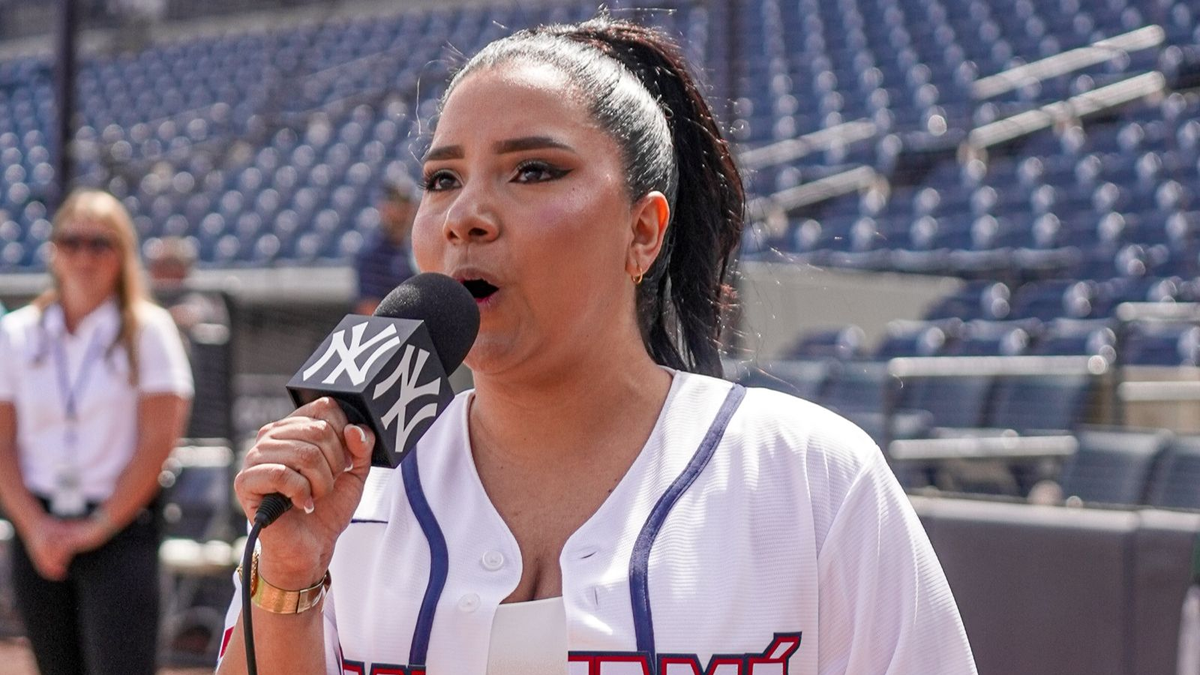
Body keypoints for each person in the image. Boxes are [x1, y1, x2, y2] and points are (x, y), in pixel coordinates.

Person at [217, 16, 977, 675]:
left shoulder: (813, 477)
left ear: (641, 231)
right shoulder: (351, 486)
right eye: (442, 179)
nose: (465, 216)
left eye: (533, 170)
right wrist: (287, 574)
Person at [0, 188, 194, 675]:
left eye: (100, 243)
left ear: (122, 254)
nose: (84, 255)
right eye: (72, 240)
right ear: (53, 250)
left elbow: (157, 446)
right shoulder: (18, 333)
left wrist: (96, 528)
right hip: (37, 531)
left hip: (120, 530)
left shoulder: (148, 331)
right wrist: (35, 527)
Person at [354, 177, 419, 315]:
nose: (402, 212)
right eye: (396, 204)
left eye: (406, 204)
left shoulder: (415, 246)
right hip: (392, 330)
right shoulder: (372, 252)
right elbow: (369, 308)